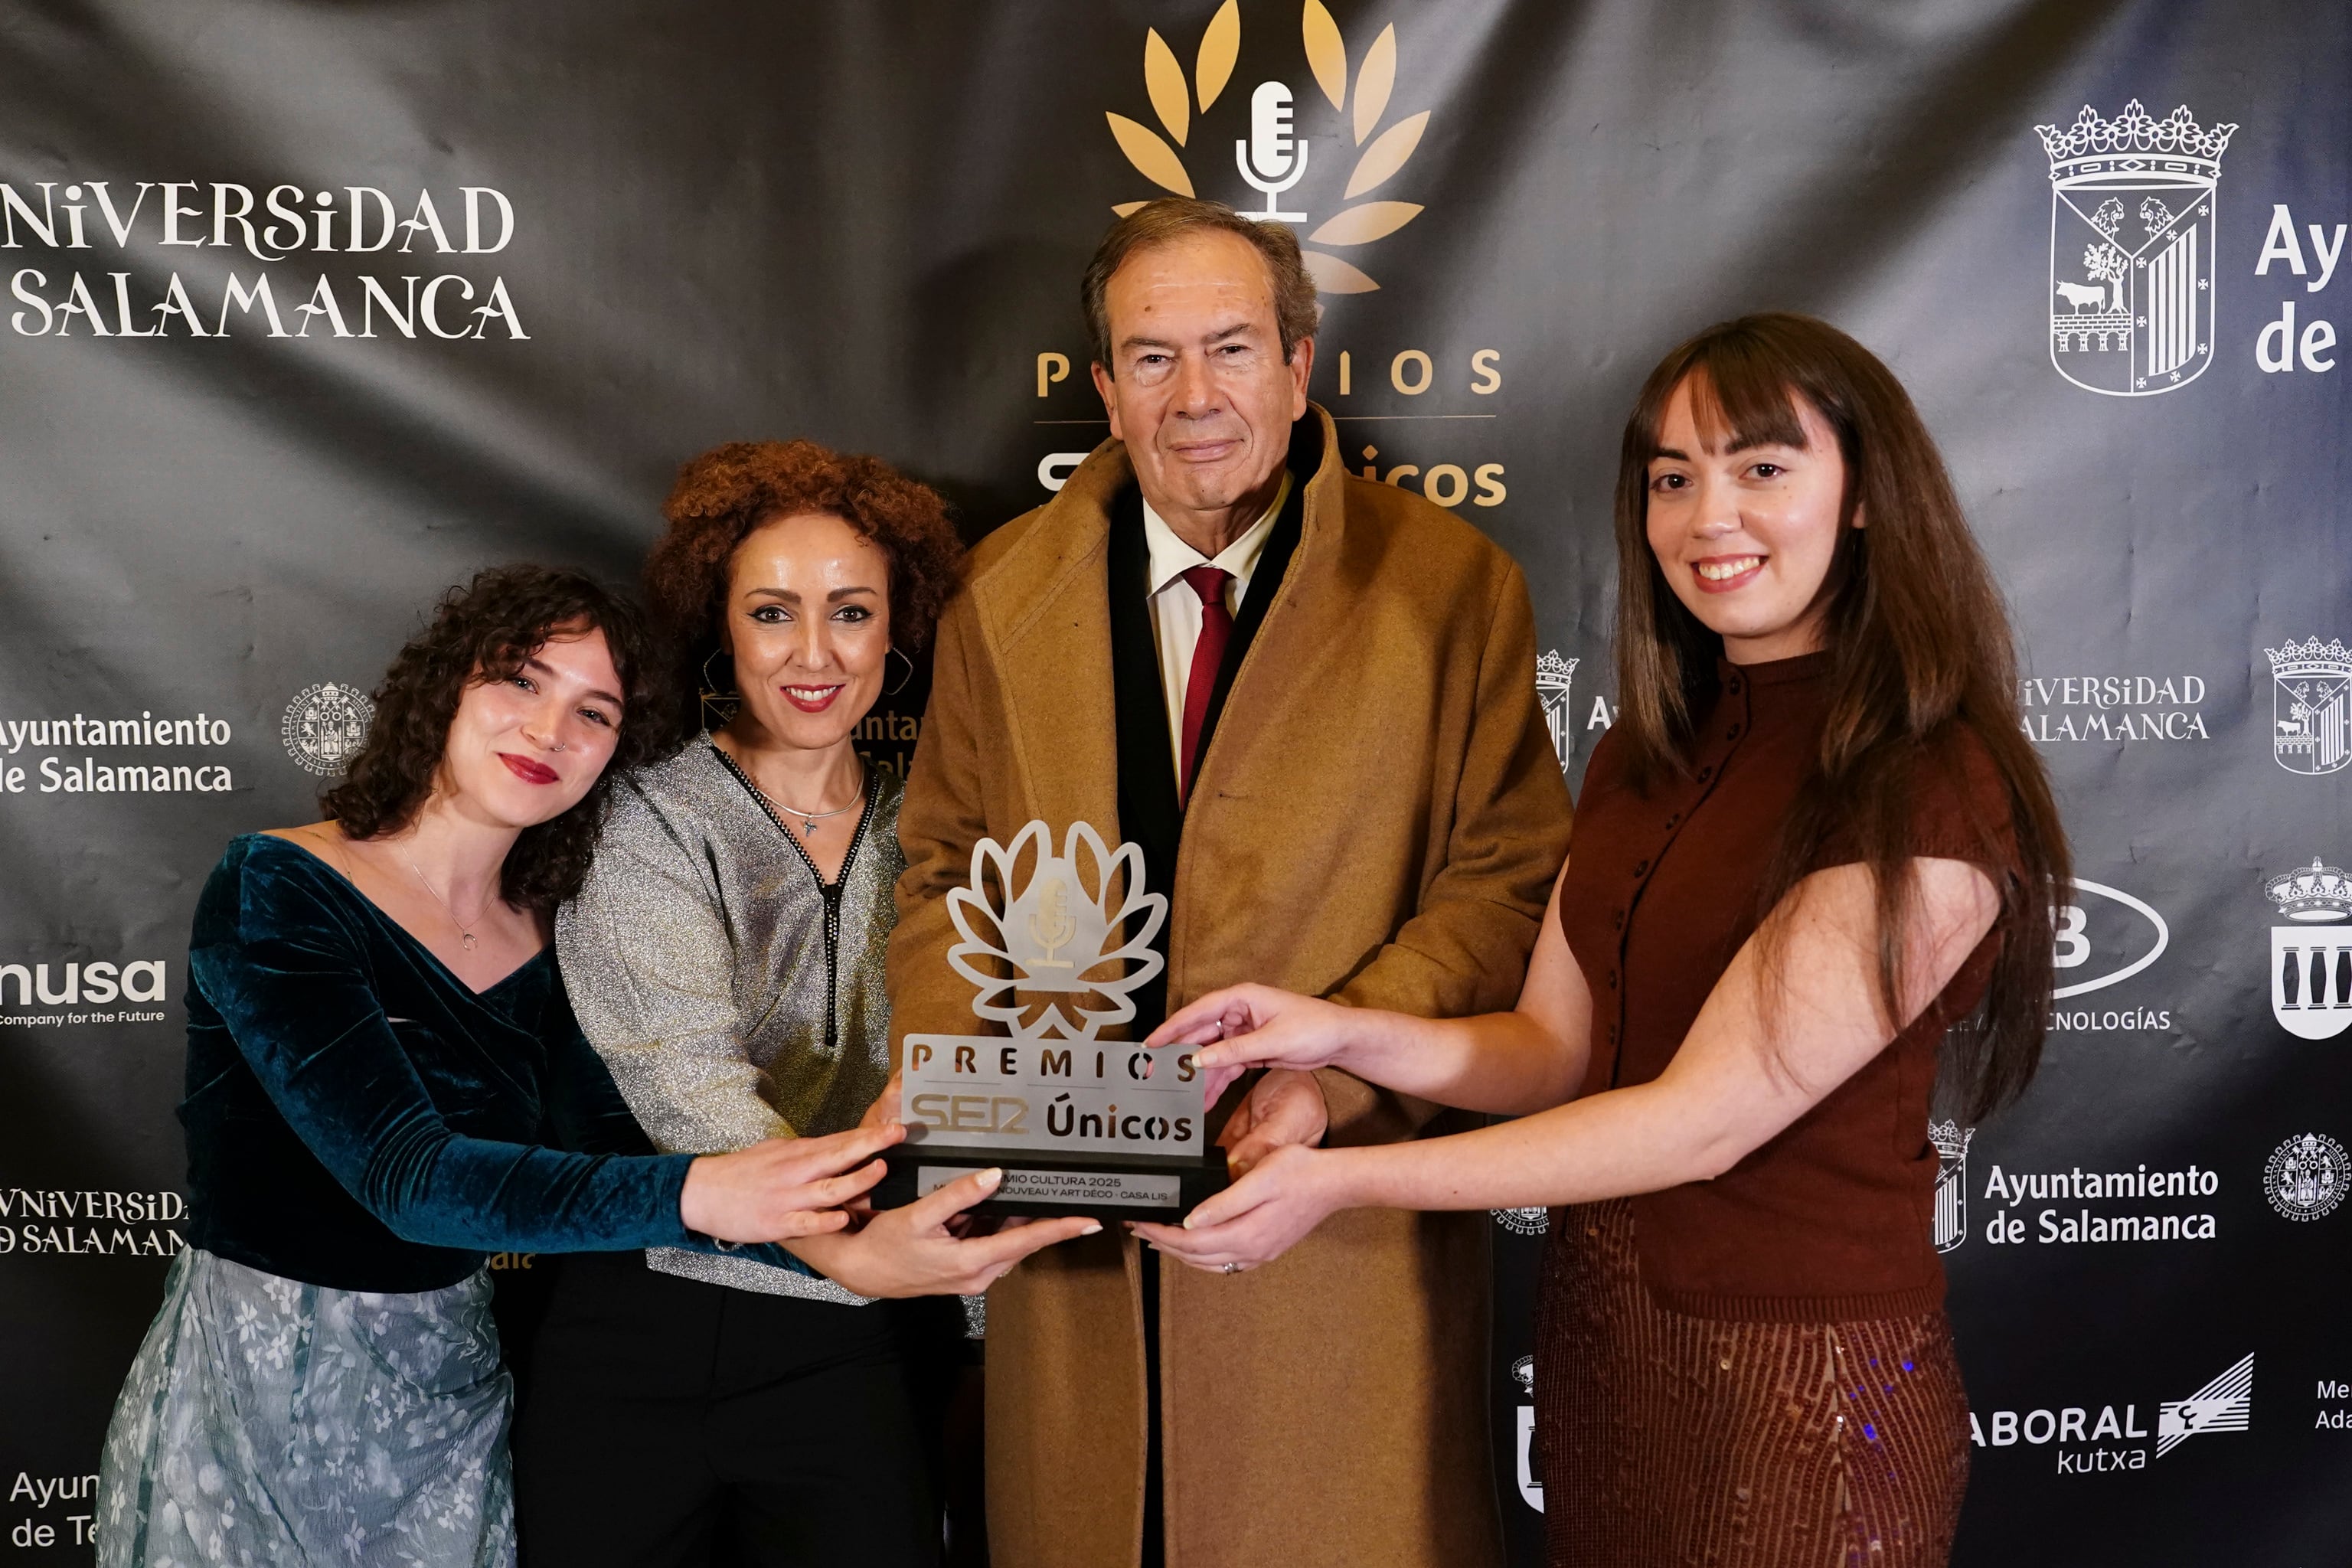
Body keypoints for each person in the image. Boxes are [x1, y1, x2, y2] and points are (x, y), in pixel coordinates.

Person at [1150, 313, 2070, 1566]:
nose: (1710, 518)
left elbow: (1702, 1121)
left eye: (1761, 469)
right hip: (1608, 1353)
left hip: (1804, 1388)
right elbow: (1550, 1047)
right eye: (1672, 479)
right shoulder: (1648, 748)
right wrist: (1339, 1032)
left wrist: (1338, 1182)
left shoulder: (1928, 781)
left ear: (1863, 496)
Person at [888, 198, 1573, 1568]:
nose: (1194, 397)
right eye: (1152, 358)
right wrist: (979, 1093)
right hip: (1070, 1243)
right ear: (1102, 388)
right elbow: (942, 868)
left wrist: (1339, 1077)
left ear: (1301, 365)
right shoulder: (997, 594)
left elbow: (1502, 887)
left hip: (1339, 1236)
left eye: (1231, 350)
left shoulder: (1450, 590)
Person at [96, 566, 907, 1568]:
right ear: (446, 687)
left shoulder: (550, 940)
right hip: (254, 1402)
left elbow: (621, 1156)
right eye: (520, 680)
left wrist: (856, 1235)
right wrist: (710, 1191)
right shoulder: (277, 886)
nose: (548, 729)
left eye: (594, 712)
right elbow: (412, 1179)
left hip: (449, 1402)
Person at [513, 442, 1096, 1568]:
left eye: (853, 611)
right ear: (722, 630)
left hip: (858, 1346)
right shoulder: (647, 814)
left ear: (900, 628)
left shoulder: (945, 829)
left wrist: (961, 1320)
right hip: (645, 1328)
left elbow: (985, 1077)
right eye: (774, 613)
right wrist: (856, 1253)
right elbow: (690, 1086)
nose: (815, 654)